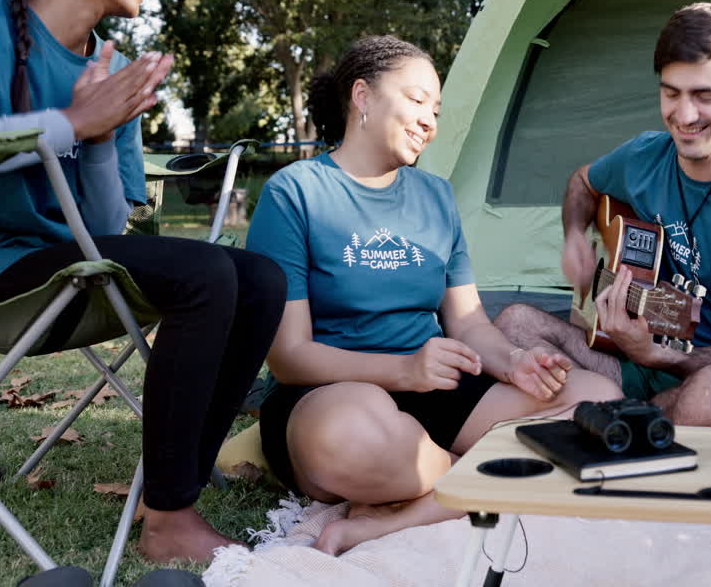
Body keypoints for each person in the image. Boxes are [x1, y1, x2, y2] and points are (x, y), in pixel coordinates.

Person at [0, 0, 286, 564]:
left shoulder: (112, 70)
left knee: (260, 278)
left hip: (74, 274)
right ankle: (169, 521)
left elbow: (106, 228)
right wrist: (72, 121)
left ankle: (172, 487)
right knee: (205, 272)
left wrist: (102, 135)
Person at [246, 35, 623, 556]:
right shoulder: (295, 192)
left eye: (437, 110)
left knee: (599, 405)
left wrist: (514, 361)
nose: (430, 121)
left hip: (436, 388)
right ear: (363, 96)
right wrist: (405, 370)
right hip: (331, 394)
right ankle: (493, 475)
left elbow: (468, 324)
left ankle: (403, 511)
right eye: (417, 100)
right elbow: (289, 357)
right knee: (354, 439)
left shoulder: (436, 196)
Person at [494, 2, 711, 427]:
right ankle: (612, 417)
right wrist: (574, 235)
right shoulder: (644, 155)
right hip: (616, 359)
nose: (684, 115)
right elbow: (582, 182)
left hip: (695, 376)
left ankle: (601, 420)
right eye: (671, 93)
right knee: (513, 323)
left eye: (705, 96)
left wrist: (654, 354)